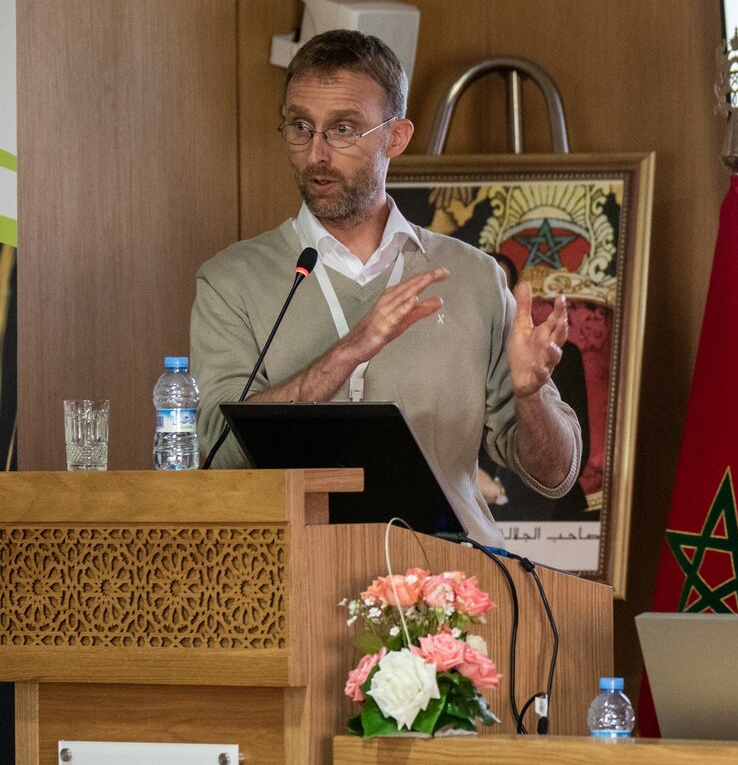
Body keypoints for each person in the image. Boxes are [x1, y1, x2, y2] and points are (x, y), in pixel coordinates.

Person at [191, 29, 581, 543]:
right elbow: (218, 455)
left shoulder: (474, 277)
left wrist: (530, 397)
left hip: (450, 589)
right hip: (285, 581)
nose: (316, 154)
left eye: (344, 129)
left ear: (396, 137)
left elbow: (554, 476)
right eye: (300, 127)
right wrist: (348, 351)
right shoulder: (230, 280)